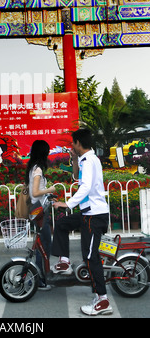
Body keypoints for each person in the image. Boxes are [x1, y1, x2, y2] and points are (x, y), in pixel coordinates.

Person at [52, 128, 112, 316]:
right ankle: (64, 262)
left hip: (94, 216)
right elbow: (77, 179)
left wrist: (67, 204)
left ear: (78, 143)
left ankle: (102, 300)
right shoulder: (87, 159)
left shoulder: (90, 160)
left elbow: (85, 186)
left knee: (90, 257)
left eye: (73, 144)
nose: (72, 146)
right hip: (88, 213)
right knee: (62, 224)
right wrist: (75, 160)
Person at [25, 139, 56, 291]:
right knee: (43, 245)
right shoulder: (38, 169)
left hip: (37, 209)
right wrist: (49, 190)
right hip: (40, 212)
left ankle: (39, 277)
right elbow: (36, 192)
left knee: (41, 244)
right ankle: (39, 279)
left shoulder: (33, 167)